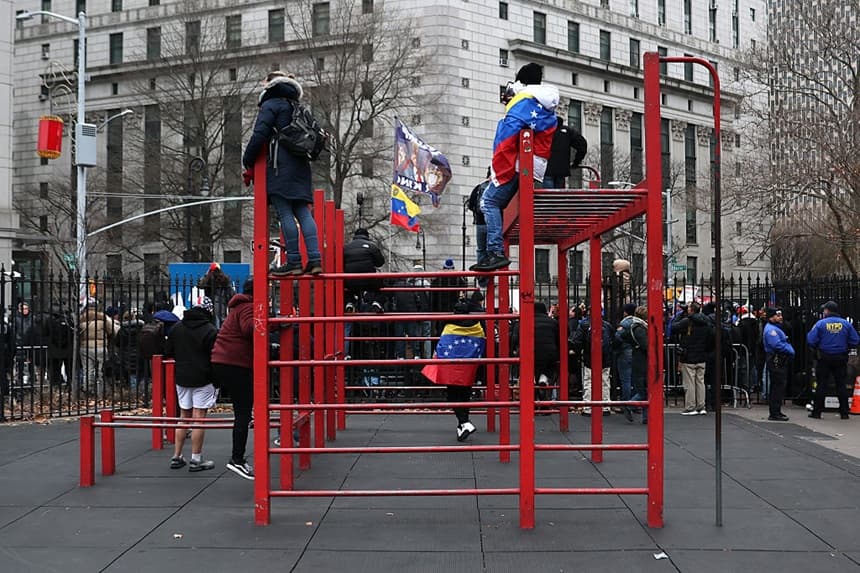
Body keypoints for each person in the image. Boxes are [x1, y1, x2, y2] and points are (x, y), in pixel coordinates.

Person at [473, 63, 559, 271]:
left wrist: (499, 167)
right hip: (535, 163)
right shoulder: (544, 104)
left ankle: (494, 251)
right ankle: (492, 251)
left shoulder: (524, 102)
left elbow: (507, 136)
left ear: (521, 82)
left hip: (521, 163)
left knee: (488, 201)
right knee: (498, 202)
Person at [242, 71, 322, 276]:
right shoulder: (298, 107)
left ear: (270, 84)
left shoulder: (271, 105)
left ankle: (293, 261)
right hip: (301, 168)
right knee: (303, 212)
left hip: (279, 167)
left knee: (284, 212)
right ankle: (315, 259)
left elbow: (260, 134)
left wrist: (248, 159)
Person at [164, 296, 219, 472]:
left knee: (183, 416)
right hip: (203, 377)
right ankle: (196, 458)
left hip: (182, 376)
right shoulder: (210, 330)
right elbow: (215, 356)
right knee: (199, 418)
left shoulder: (177, 328)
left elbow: (168, 351)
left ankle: (177, 455)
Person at [422, 301, 486, 441]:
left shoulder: (449, 327)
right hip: (468, 366)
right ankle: (462, 426)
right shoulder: (478, 327)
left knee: (452, 395)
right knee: (465, 395)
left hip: (451, 367)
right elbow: (482, 345)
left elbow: (441, 346)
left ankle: (464, 423)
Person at [212, 277, 255, 480]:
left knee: (244, 411)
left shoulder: (238, 306)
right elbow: (250, 329)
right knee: (243, 412)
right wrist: (274, 324)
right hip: (235, 363)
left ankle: (237, 457)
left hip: (224, 360)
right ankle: (237, 459)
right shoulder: (249, 306)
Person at [806, 300, 859, 420]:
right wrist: (846, 346)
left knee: (821, 385)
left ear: (827, 311)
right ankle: (844, 412)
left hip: (824, 357)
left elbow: (811, 339)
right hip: (841, 357)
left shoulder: (820, 324)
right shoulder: (846, 324)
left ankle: (817, 412)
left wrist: (818, 347)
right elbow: (855, 340)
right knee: (841, 384)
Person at [511, 302, 559, 412]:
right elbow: (561, 336)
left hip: (528, 353)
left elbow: (514, 339)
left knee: (528, 372)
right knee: (549, 367)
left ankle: (531, 399)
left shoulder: (522, 321)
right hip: (549, 352)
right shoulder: (552, 322)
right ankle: (544, 378)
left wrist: (514, 351)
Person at [672, 301, 714, 415]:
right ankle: (701, 406)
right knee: (700, 382)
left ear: (690, 310)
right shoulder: (706, 322)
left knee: (689, 383)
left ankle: (690, 407)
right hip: (702, 356)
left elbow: (673, 327)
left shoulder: (688, 321)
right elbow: (711, 337)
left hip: (689, 356)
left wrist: (681, 314)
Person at [570, 308, 614, 415]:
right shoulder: (607, 325)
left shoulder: (584, 325)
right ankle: (605, 407)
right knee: (605, 381)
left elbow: (577, 341)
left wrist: (576, 351)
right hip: (605, 358)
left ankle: (588, 407)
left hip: (589, 357)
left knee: (588, 382)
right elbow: (614, 340)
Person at [79, 299, 120, 398]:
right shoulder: (102, 317)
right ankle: (100, 393)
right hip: (100, 346)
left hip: (85, 348)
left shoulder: (81, 318)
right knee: (101, 371)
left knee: (87, 370)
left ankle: (88, 391)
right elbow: (111, 331)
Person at [762, 307, 794, 421]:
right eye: (778, 315)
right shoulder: (772, 330)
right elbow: (777, 345)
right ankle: (775, 412)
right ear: (771, 317)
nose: (780, 317)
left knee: (778, 385)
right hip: (776, 358)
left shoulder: (774, 328)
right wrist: (790, 350)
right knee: (777, 385)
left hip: (777, 358)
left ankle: (776, 411)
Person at [343, 228, 386, 312]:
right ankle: (377, 302)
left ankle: (349, 302)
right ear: (367, 236)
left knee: (346, 287)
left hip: (350, 280)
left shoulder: (346, 248)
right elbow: (380, 263)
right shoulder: (372, 246)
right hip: (368, 279)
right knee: (382, 286)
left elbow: (341, 263)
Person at [542, 116, 588, 189]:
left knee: (549, 196)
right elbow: (582, 145)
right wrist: (576, 162)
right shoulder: (568, 132)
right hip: (561, 169)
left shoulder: (543, 130)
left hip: (546, 167)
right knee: (559, 197)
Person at [627, 305, 650, 424]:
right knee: (643, 390)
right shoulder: (639, 328)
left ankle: (646, 417)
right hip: (641, 361)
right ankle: (629, 405)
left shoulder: (638, 326)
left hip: (640, 359)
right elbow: (646, 345)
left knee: (645, 390)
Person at [615, 303, 638, 404]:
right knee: (635, 379)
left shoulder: (624, 323)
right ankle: (635, 402)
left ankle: (626, 403)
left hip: (624, 352)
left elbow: (617, 337)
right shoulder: (637, 322)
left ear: (625, 312)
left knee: (626, 380)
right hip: (635, 352)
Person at [467, 171, 490, 270]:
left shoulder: (479, 187)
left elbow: (471, 204)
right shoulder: (497, 186)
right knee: (492, 248)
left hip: (480, 222)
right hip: (494, 222)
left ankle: (482, 278)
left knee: (481, 249)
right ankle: (492, 269)